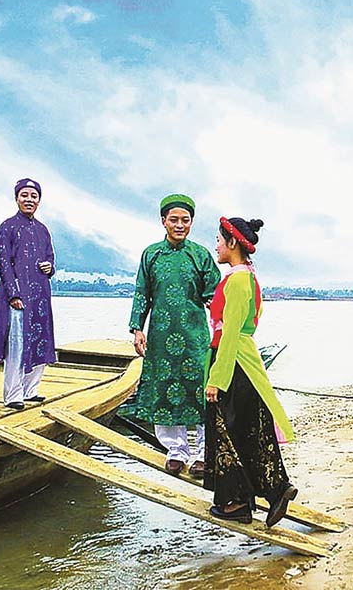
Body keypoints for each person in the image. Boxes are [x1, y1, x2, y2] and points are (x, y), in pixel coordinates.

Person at [203, 217, 296, 527]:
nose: (215, 245)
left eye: (218, 239)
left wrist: (217, 378)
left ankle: (238, 502)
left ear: (232, 244)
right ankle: (272, 491)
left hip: (234, 361)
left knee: (226, 430)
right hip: (242, 359)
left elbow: (230, 333)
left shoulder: (237, 281)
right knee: (249, 430)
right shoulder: (246, 278)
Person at [127, 194, 222, 478]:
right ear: (163, 221)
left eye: (185, 220)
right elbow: (142, 293)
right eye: (174, 220)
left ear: (192, 222)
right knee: (164, 391)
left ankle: (203, 455)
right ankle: (175, 451)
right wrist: (136, 329)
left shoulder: (201, 255)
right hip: (160, 335)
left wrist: (222, 329)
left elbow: (216, 296)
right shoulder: (151, 254)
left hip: (195, 336)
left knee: (200, 392)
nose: (180, 225)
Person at [0, 178, 56, 410]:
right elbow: (3, 262)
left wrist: (50, 267)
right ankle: (13, 394)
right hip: (18, 294)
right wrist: (12, 294)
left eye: (33, 196)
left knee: (41, 341)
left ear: (39, 200)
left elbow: (50, 256)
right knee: (17, 344)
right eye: (24, 195)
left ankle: (31, 389)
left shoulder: (43, 229)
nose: (29, 200)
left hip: (40, 295)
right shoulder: (7, 227)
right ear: (17, 198)